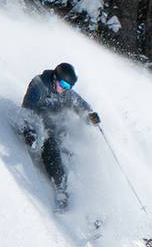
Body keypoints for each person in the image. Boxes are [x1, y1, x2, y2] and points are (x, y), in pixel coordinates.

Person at [19, 62, 100, 208]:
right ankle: (61, 188)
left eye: (69, 86)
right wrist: (29, 131)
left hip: (59, 130)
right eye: (63, 84)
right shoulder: (39, 86)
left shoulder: (66, 93)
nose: (65, 89)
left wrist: (90, 116)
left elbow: (80, 105)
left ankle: (89, 196)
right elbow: (26, 112)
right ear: (55, 77)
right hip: (41, 129)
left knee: (72, 153)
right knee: (51, 146)